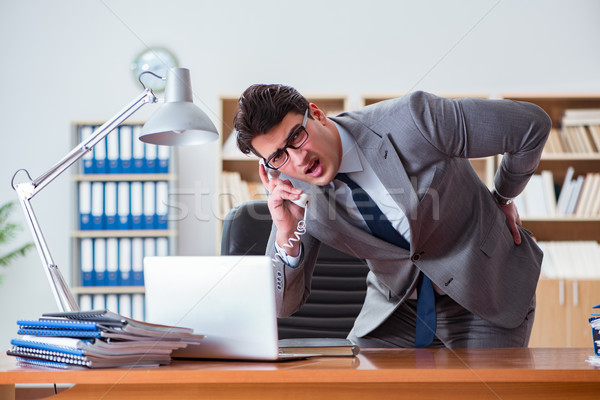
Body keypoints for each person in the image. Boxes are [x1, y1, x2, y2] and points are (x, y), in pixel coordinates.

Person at [233, 84, 551, 348]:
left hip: (484, 290)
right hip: (398, 310)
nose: (299, 158)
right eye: (278, 155)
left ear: (316, 114)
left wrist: (503, 196)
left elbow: (530, 127)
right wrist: (287, 234)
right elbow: (282, 305)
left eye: (297, 136)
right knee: (346, 390)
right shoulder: (295, 194)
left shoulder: (413, 120)